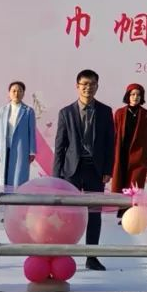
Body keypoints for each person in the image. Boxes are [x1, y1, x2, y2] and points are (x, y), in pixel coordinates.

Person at [53, 69, 115, 271]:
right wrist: (56, 177)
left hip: (95, 170)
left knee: (94, 214)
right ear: (77, 86)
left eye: (92, 84)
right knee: (66, 215)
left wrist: (108, 169)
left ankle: (92, 256)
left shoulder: (105, 111)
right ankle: (62, 254)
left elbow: (109, 143)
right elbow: (60, 146)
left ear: (97, 86)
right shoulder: (66, 112)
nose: (88, 88)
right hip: (71, 171)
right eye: (84, 84)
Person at [111, 84, 147, 219]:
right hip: (121, 154)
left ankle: (131, 216)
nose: (135, 97)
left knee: (135, 188)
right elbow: (113, 135)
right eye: (132, 94)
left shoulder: (145, 114)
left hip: (138, 157)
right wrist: (111, 156)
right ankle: (121, 212)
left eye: (138, 95)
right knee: (120, 184)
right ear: (128, 96)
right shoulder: (119, 113)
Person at [0, 81, 36, 190]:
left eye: (20, 91)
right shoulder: (1, 111)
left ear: (23, 93)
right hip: (4, 148)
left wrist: (32, 151)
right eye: (14, 91)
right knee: (4, 175)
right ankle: (3, 198)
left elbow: (32, 132)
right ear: (9, 93)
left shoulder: (28, 111)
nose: (16, 93)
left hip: (21, 149)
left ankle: (17, 198)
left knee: (18, 177)